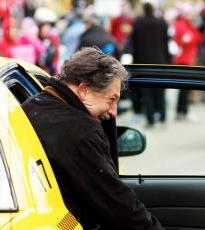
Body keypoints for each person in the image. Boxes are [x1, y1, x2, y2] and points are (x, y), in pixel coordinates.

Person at [22, 47, 164, 230]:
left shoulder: (31, 106)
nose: (113, 111)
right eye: (111, 99)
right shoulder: (81, 131)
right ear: (83, 90)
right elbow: (117, 204)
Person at [130, 3, 170, 127]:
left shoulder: (138, 23)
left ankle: (150, 118)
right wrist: (167, 60)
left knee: (146, 92)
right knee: (161, 90)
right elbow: (166, 43)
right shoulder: (161, 22)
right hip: (160, 62)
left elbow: (134, 44)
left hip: (143, 63)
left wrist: (135, 62)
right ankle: (163, 117)